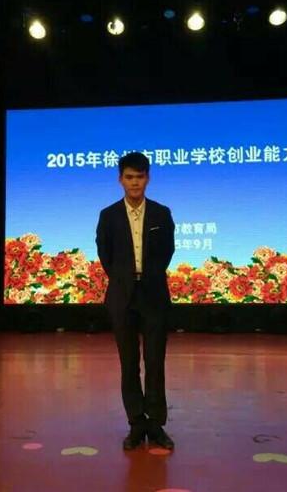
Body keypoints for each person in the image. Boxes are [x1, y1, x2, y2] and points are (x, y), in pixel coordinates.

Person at [95, 152, 175, 451]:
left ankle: (156, 425)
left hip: (153, 295)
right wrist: (124, 279)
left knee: (155, 363)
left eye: (140, 177)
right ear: (120, 180)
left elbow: (167, 251)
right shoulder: (109, 215)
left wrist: (148, 277)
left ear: (147, 179)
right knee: (129, 364)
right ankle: (136, 424)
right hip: (122, 296)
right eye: (129, 177)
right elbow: (105, 254)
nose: (134, 183)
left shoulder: (161, 213)